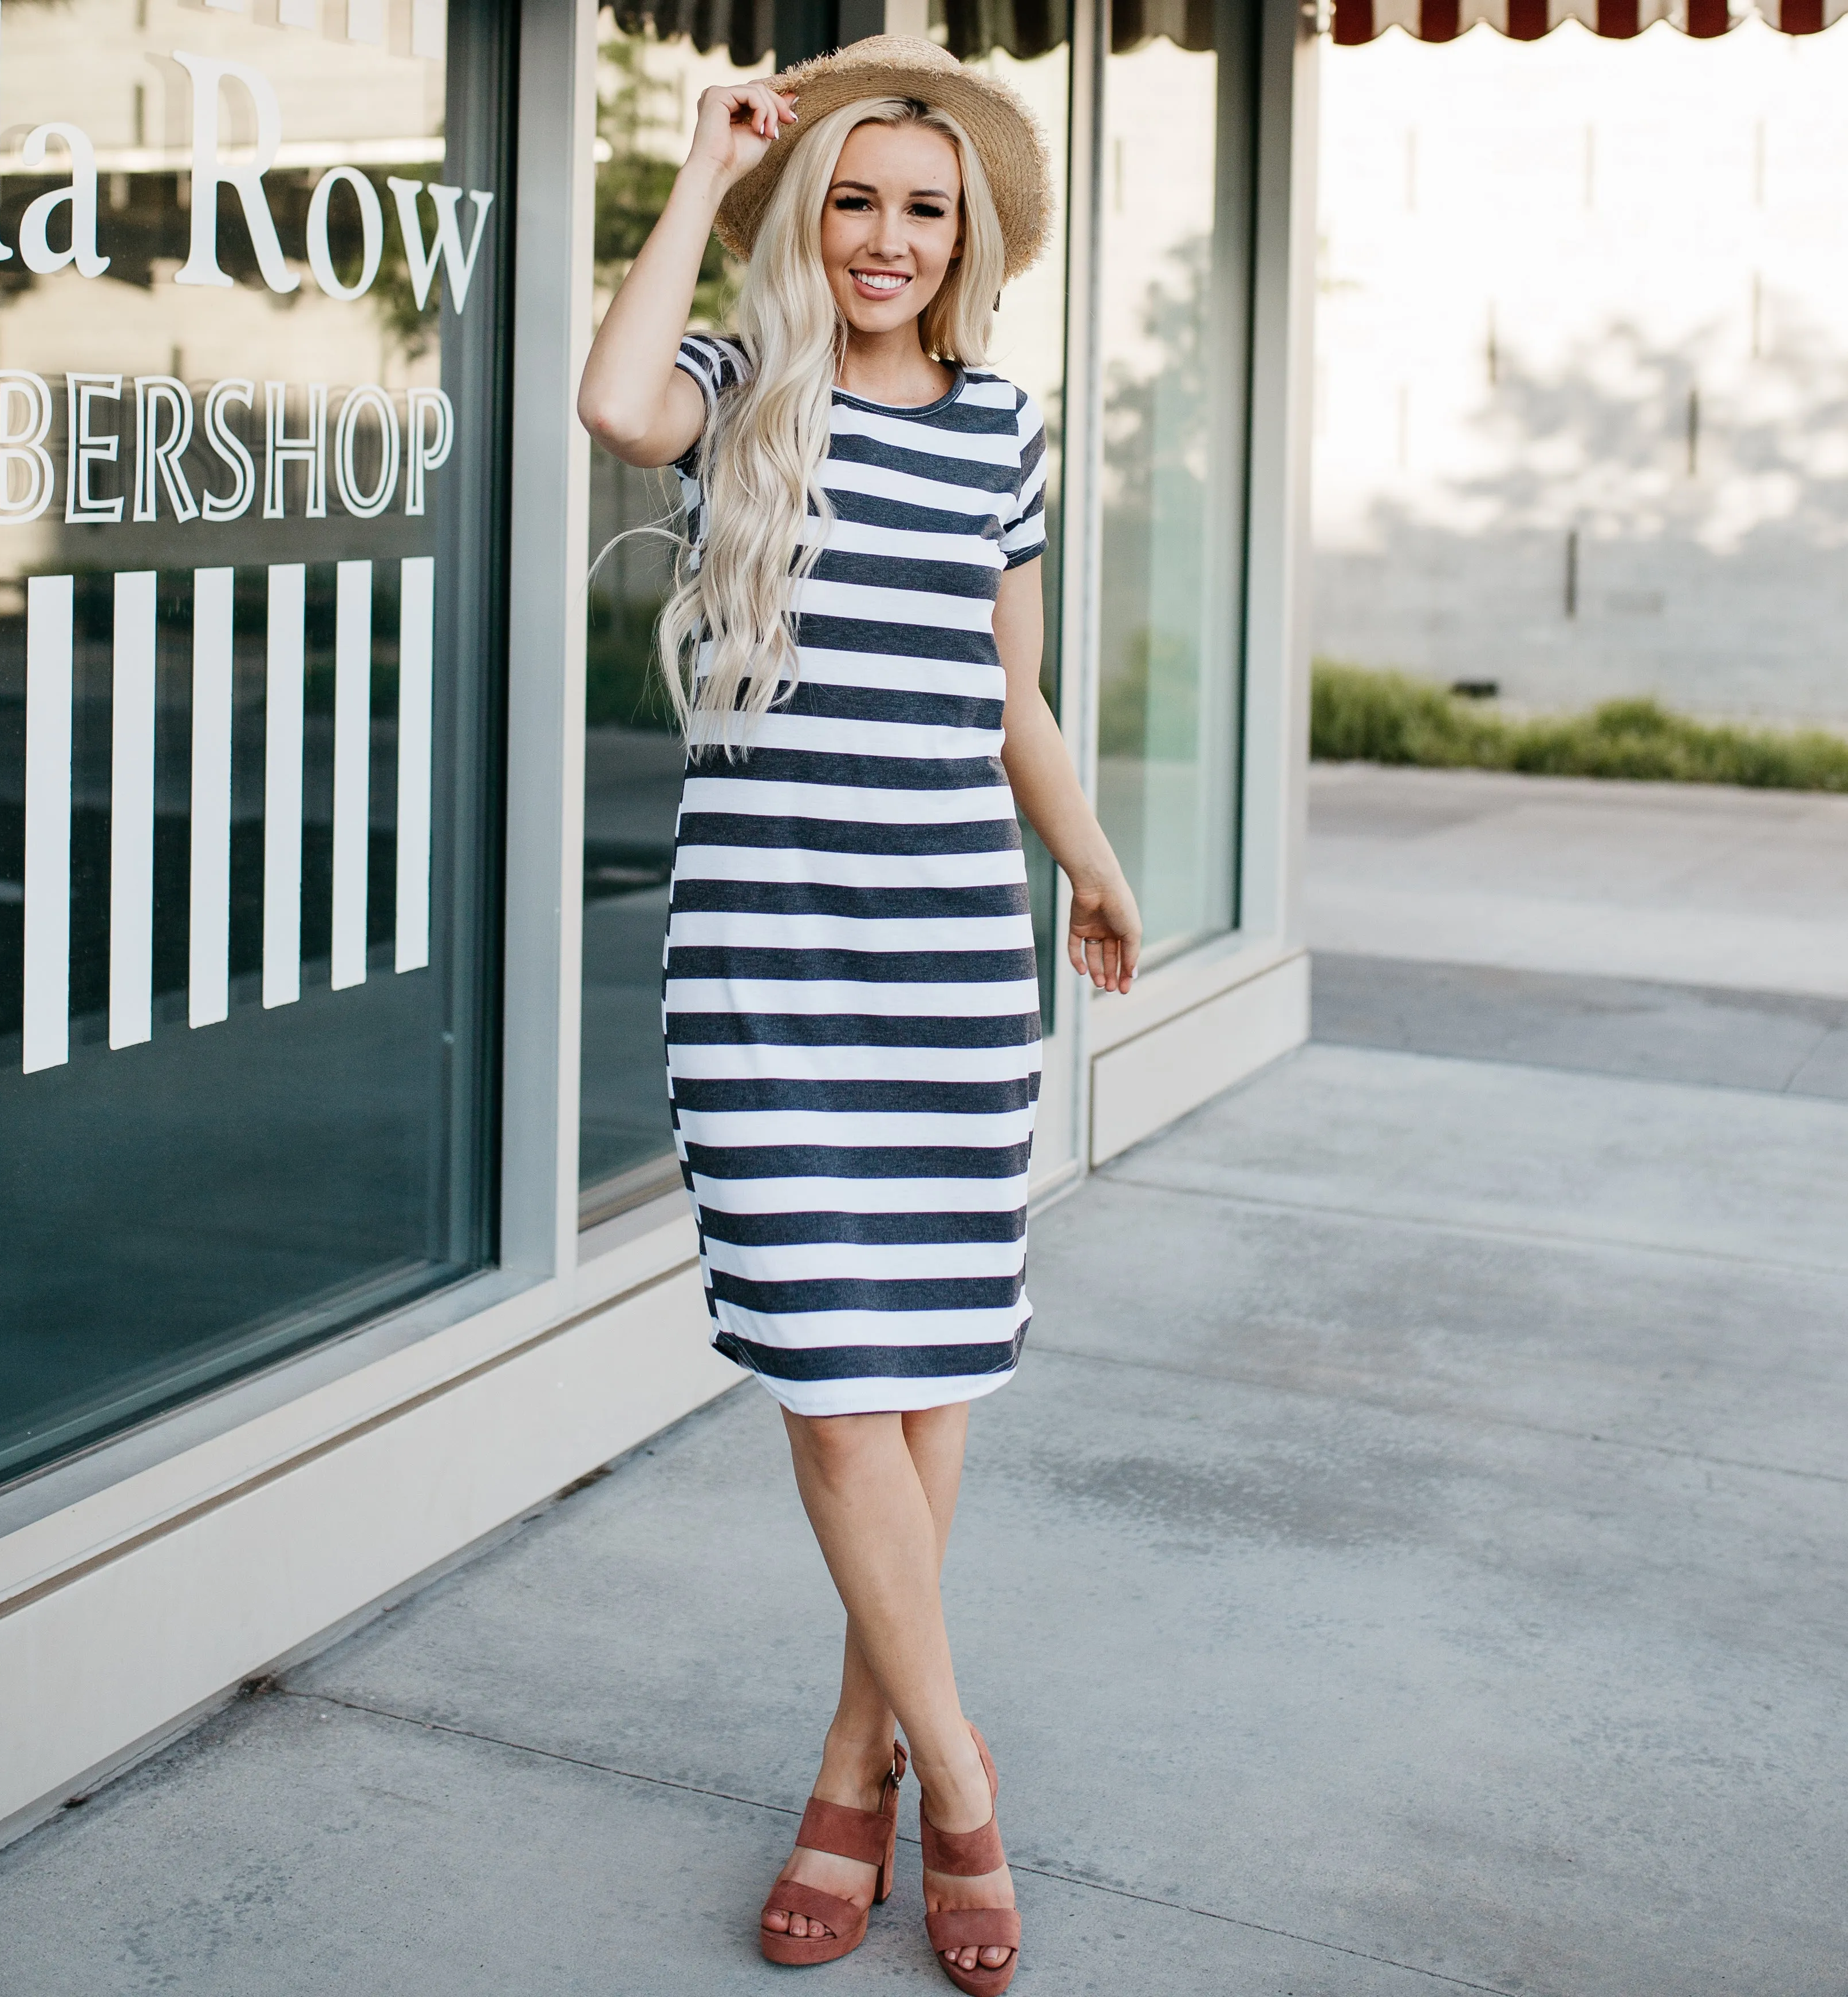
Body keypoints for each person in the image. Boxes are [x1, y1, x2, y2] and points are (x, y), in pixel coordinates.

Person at [577, 35, 1140, 1991]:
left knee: (918, 1377)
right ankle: (966, 1787)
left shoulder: (1006, 431)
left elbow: (1013, 698)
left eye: (924, 205)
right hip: (762, 958)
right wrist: (700, 164)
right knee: (833, 1383)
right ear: (808, 220)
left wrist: (1091, 861)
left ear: (967, 232)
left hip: (944, 958)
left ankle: (852, 1763)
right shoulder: (749, 396)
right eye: (852, 197)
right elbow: (610, 394)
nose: (888, 235)